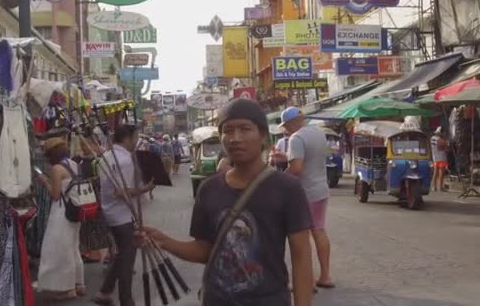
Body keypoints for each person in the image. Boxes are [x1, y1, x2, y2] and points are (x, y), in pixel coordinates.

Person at [141, 99, 314, 306]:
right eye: (228, 131)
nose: (235, 138)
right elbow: (205, 250)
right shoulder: (209, 189)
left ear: (263, 137)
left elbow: (302, 256)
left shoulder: (288, 188)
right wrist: (163, 241)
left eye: (245, 129)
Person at [92, 125, 155, 306]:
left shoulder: (107, 156)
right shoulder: (125, 160)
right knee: (127, 260)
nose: (136, 141)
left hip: (112, 213)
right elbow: (120, 192)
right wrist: (146, 188)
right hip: (123, 216)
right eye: (135, 137)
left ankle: (104, 292)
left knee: (122, 255)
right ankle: (126, 300)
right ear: (128, 138)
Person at [281, 107, 334, 289]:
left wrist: (279, 179)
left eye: (285, 125)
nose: (285, 129)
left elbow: (296, 168)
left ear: (291, 123)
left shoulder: (296, 138)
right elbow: (309, 159)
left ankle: (307, 281)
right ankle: (325, 276)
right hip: (321, 189)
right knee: (319, 231)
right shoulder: (318, 133)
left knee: (301, 237)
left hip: (305, 193)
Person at [36, 137, 85, 301]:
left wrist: (45, 182)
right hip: (75, 210)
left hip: (61, 213)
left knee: (59, 250)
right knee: (73, 246)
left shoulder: (57, 169)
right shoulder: (75, 165)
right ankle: (79, 284)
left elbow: (55, 195)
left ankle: (68, 288)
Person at [431, 127, 449, 192]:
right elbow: (444, 148)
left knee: (435, 173)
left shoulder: (432, 138)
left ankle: (434, 186)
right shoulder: (441, 140)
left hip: (435, 158)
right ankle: (441, 187)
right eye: (443, 132)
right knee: (441, 173)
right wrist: (446, 144)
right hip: (442, 158)